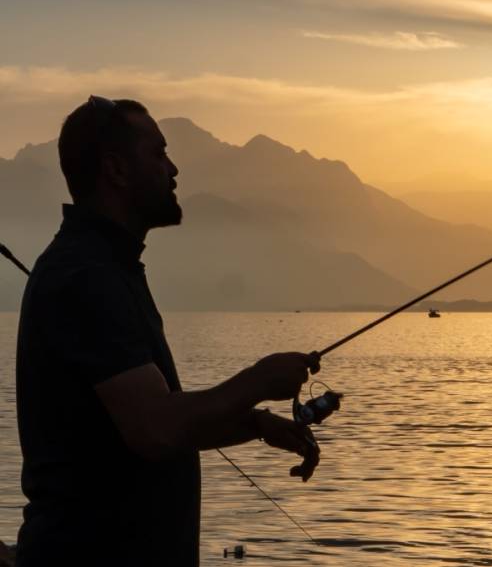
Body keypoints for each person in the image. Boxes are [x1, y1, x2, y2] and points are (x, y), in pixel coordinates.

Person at [15, 96, 321, 566]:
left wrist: (254, 423)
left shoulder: (109, 266)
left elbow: (143, 423)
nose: (173, 169)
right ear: (116, 170)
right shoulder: (85, 274)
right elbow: (155, 428)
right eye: (158, 154)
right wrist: (260, 380)